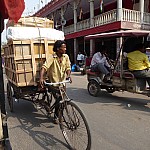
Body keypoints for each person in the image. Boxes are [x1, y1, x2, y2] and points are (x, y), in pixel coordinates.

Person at [39, 40, 72, 124]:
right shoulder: (52, 58)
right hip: (53, 83)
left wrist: (68, 75)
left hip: (62, 83)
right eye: (63, 47)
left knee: (61, 100)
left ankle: (58, 114)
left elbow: (68, 67)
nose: (65, 49)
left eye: (65, 47)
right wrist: (41, 78)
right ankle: (56, 116)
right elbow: (44, 67)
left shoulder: (66, 57)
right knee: (59, 99)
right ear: (58, 49)